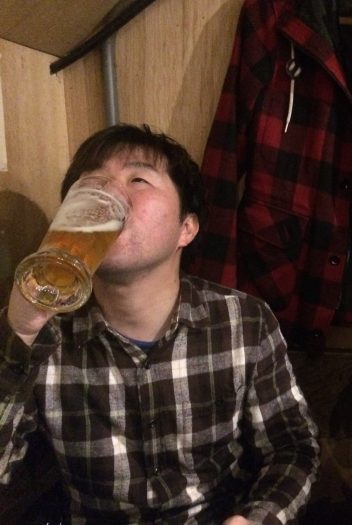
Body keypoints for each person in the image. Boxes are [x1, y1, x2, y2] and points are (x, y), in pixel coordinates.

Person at [0, 124, 319, 524]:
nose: (110, 194)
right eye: (93, 181)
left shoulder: (244, 321)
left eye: (138, 179)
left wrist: (253, 520)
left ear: (187, 228)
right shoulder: (45, 334)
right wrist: (19, 332)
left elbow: (293, 447)